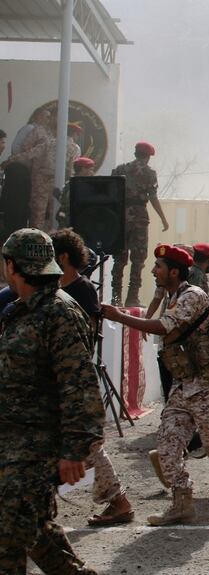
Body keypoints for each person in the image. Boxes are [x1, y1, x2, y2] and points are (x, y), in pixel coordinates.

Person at [101, 244, 209, 525]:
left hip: (207, 383)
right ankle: (181, 502)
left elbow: (164, 327)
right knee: (167, 444)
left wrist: (119, 316)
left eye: (159, 267)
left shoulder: (193, 295)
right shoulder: (174, 296)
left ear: (174, 271)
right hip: (184, 383)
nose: (154, 271)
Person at [0, 228, 103, 574]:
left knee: (8, 539)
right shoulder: (23, 310)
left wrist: (75, 449)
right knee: (36, 534)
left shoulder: (58, 312)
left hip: (34, 449)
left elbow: (80, 384)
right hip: (13, 445)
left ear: (12, 265)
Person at [52, 228, 135, 526]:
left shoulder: (81, 290)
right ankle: (118, 501)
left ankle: (119, 501)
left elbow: (81, 338)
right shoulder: (58, 289)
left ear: (63, 257)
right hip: (61, 379)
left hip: (72, 379)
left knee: (85, 444)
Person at [110, 141, 169, 307]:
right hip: (139, 217)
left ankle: (116, 297)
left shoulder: (120, 169)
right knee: (138, 258)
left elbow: (110, 191)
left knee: (119, 257)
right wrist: (163, 218)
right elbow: (153, 197)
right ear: (148, 156)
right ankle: (132, 297)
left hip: (120, 216)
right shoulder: (150, 173)